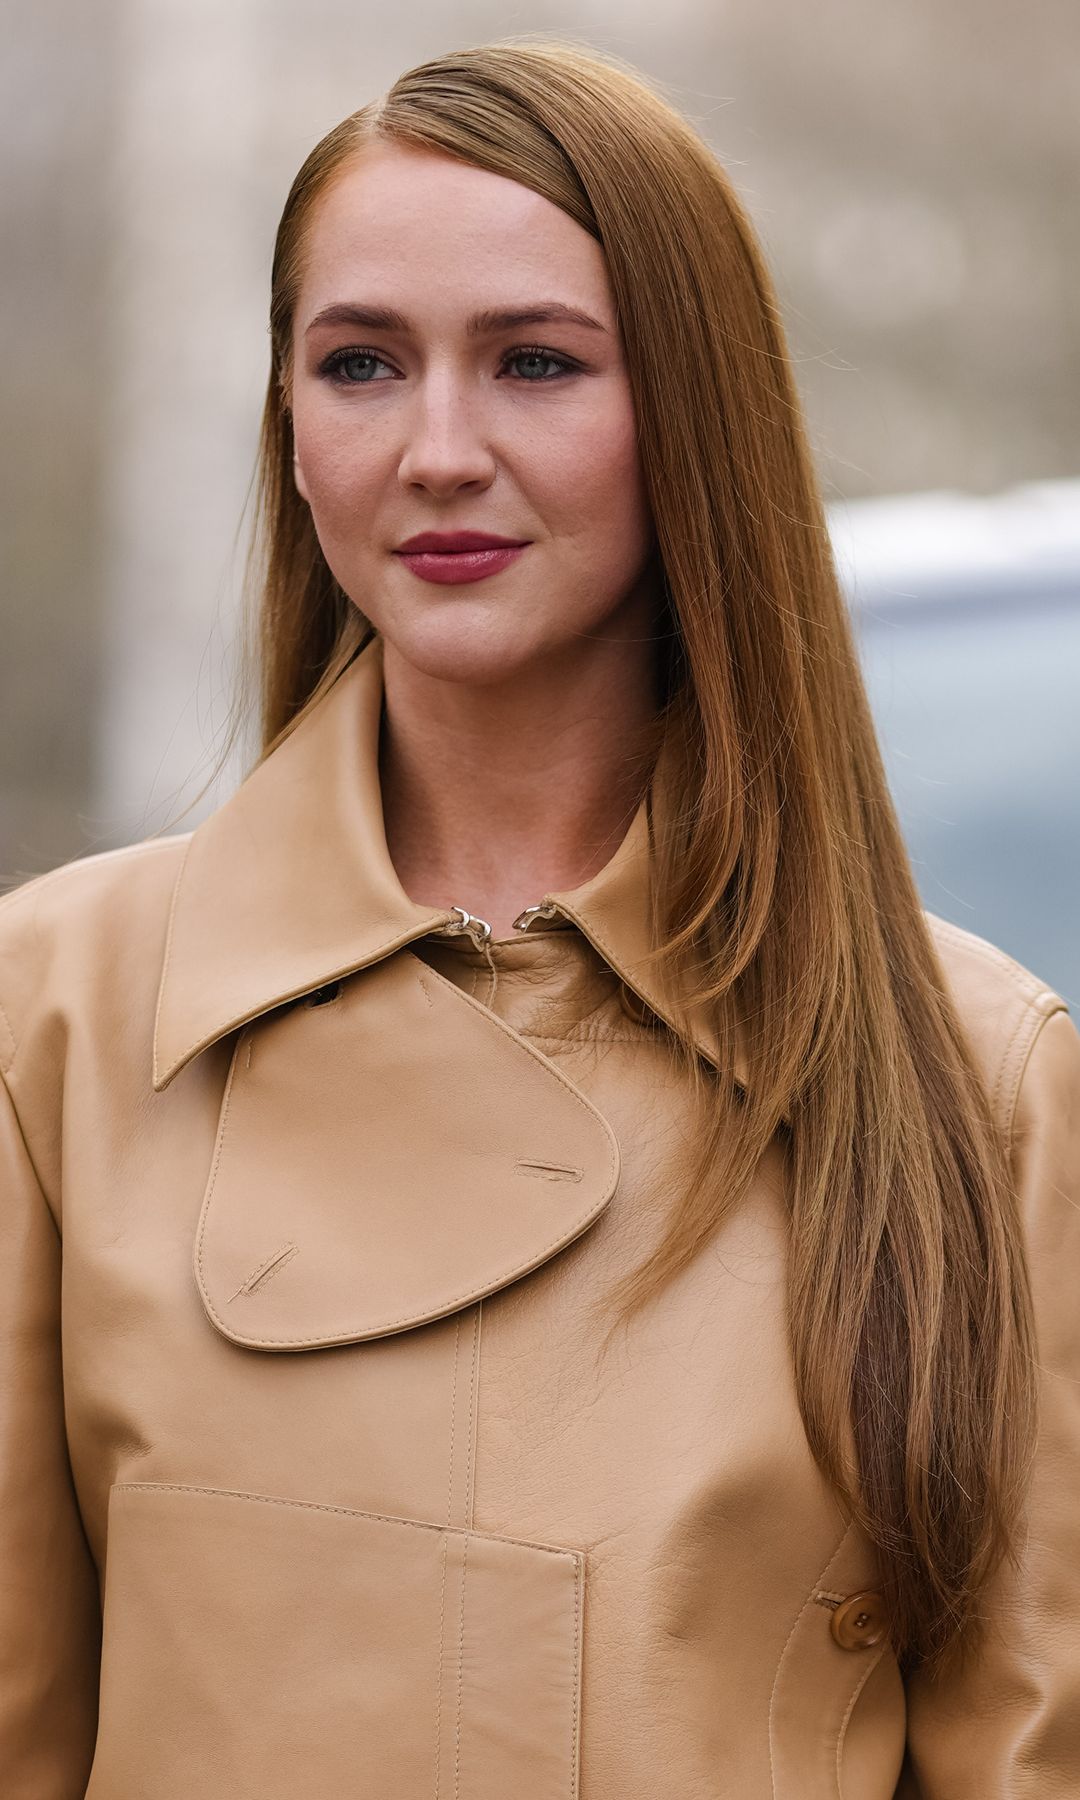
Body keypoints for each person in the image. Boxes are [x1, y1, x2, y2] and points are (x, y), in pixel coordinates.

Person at [1, 38, 1077, 1800]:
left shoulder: (983, 1084)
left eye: (535, 364)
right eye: (359, 363)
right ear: (287, 425)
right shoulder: (50, 1022)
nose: (437, 450)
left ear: (694, 411)